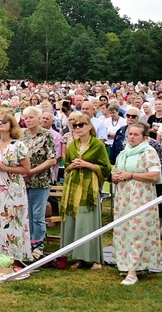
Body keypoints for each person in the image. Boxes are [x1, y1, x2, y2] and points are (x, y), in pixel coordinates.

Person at [60, 112, 112, 269]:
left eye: (81, 125)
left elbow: (106, 168)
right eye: (75, 125)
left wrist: (87, 165)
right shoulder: (73, 145)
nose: (77, 128)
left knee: (87, 221)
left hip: (89, 187)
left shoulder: (98, 145)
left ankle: (95, 258)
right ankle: (79, 257)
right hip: (73, 185)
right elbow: (66, 164)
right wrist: (72, 166)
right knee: (74, 221)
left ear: (89, 126)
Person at [112, 122, 161, 286]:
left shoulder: (149, 152)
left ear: (144, 137)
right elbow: (115, 171)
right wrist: (116, 177)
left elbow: (154, 175)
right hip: (123, 197)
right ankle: (126, 264)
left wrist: (131, 175)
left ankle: (133, 271)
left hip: (141, 196)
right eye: (130, 134)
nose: (131, 137)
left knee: (137, 231)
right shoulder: (124, 152)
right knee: (123, 230)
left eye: (135, 134)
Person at [0, 112, 32, 262]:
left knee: (14, 219)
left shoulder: (18, 145)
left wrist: (7, 168)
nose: (0, 123)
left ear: (11, 125)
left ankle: (16, 255)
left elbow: (26, 169)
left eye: (4, 121)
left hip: (14, 187)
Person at [22, 106, 57, 255]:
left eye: (31, 117)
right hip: (23, 182)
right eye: (26, 118)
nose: (29, 120)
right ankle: (26, 243)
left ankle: (38, 246)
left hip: (40, 181)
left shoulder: (46, 135)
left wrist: (31, 171)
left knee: (37, 215)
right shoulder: (22, 136)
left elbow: (52, 159)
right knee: (25, 214)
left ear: (38, 118)